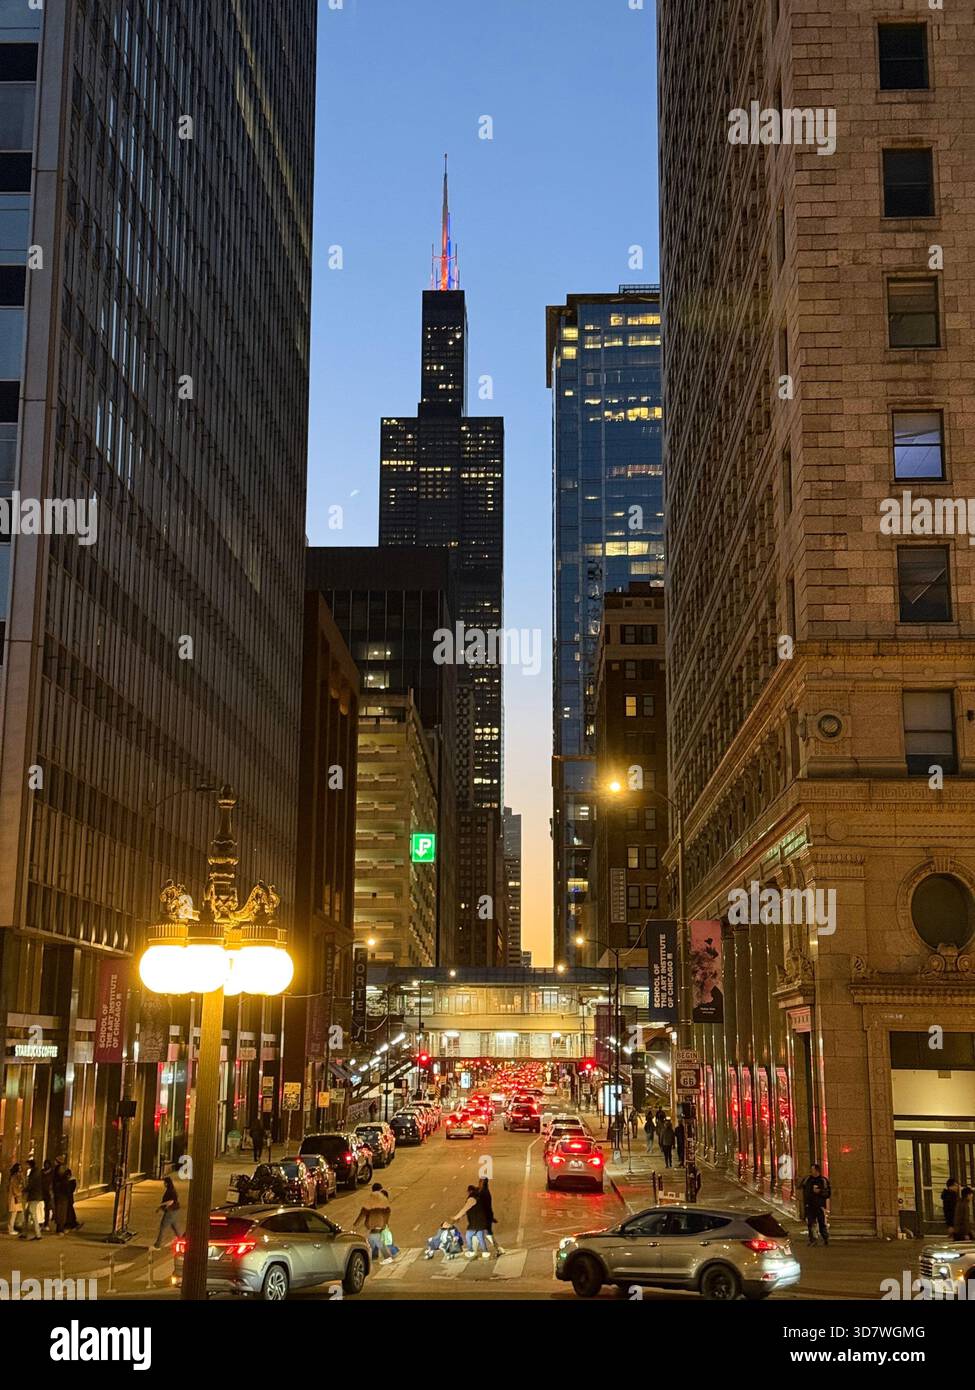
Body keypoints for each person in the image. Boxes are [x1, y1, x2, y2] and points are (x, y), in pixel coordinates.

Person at [354, 1183, 395, 1263]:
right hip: (380, 1223)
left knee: (375, 1239)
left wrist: (356, 1223)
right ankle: (375, 1255)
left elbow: (363, 1212)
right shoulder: (382, 1198)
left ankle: (387, 1256)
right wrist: (386, 1222)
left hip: (374, 1223)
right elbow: (387, 1211)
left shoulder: (371, 1199)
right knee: (374, 1239)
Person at [453, 1184, 490, 1258]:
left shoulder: (472, 1199)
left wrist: (456, 1217)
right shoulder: (478, 1197)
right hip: (480, 1221)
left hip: (475, 1222)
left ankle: (471, 1251)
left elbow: (465, 1209)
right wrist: (460, 1216)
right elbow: (468, 1210)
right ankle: (485, 1252)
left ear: (470, 1191)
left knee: (468, 1236)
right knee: (480, 1237)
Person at [799, 1163, 831, 1246]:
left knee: (821, 1223)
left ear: (817, 1170)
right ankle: (813, 1239)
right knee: (810, 1222)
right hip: (809, 1205)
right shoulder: (808, 1179)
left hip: (819, 1205)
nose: (811, 1171)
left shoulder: (823, 1180)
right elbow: (801, 1187)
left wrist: (820, 1191)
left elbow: (828, 1193)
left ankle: (825, 1238)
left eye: (813, 1170)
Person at [151, 1176, 182, 1250]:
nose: (164, 1184)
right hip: (174, 1211)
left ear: (167, 1183)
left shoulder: (171, 1191)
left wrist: (160, 1205)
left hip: (170, 1211)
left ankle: (158, 1244)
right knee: (174, 1226)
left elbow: (171, 1202)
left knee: (162, 1227)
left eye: (164, 1182)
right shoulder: (171, 1190)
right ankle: (181, 1239)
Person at [479, 1177, 504, 1257]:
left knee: (487, 1234)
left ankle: (498, 1249)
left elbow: (486, 1207)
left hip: (485, 1217)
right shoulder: (485, 1191)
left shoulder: (483, 1193)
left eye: (480, 1182)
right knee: (480, 1234)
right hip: (487, 1217)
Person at [21, 1159, 44, 1240]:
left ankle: (38, 1234)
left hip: (34, 1196)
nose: (25, 1166)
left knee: (32, 1214)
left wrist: (24, 1189)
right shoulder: (34, 1172)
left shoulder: (35, 1173)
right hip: (33, 1196)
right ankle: (24, 1233)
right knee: (26, 1213)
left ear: (30, 1165)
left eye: (27, 1165)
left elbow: (31, 1185)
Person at [6, 1163, 23, 1236]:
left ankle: (11, 1228)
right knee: (13, 1214)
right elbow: (15, 1188)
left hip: (13, 1197)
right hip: (14, 1197)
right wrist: (19, 1193)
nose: (20, 1169)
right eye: (19, 1168)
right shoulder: (15, 1177)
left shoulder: (13, 1177)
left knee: (13, 1214)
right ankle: (10, 1229)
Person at [41, 1159, 54, 1231]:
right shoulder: (42, 1172)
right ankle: (42, 1223)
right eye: (45, 1164)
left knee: (47, 1208)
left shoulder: (52, 1173)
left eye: (47, 1164)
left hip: (48, 1193)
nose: (46, 1166)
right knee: (41, 1208)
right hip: (42, 1192)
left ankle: (46, 1223)